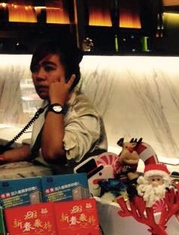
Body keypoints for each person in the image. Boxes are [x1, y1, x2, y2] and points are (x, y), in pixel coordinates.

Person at [0, 38, 107, 173]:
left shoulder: (83, 113)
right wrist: (3, 157)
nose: (39, 76)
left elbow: (52, 153)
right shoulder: (50, 103)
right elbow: (37, 148)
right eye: (35, 69)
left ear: (70, 75)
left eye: (49, 68)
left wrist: (56, 105)